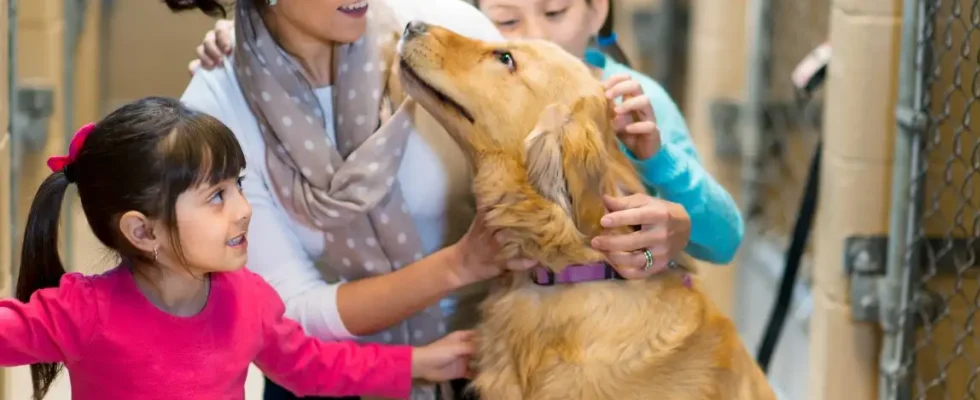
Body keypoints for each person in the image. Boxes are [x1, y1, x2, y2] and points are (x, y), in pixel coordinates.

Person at [174, 0, 742, 398]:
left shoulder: (432, 23)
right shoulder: (220, 98)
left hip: (485, 359)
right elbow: (289, 313)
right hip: (334, 379)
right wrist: (460, 264)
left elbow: (574, 194)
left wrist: (660, 239)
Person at [0, 97, 475, 400]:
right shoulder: (84, 311)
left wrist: (419, 363)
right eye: (216, 197)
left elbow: (315, 367)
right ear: (143, 233)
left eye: (238, 186)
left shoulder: (249, 300)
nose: (245, 209)